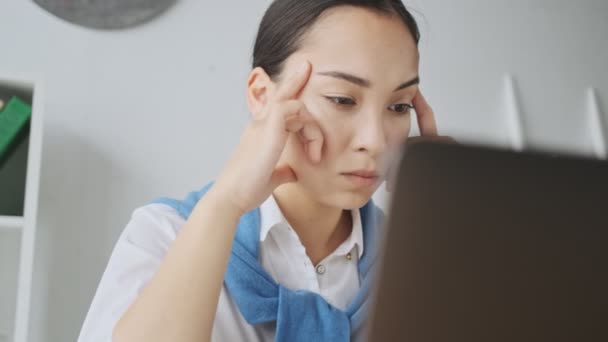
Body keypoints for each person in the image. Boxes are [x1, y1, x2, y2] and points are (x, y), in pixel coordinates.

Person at [77, 1, 442, 341]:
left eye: (399, 106)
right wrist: (227, 202)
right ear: (262, 96)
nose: (376, 141)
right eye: (343, 100)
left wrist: (458, 239)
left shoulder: (414, 266)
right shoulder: (162, 237)